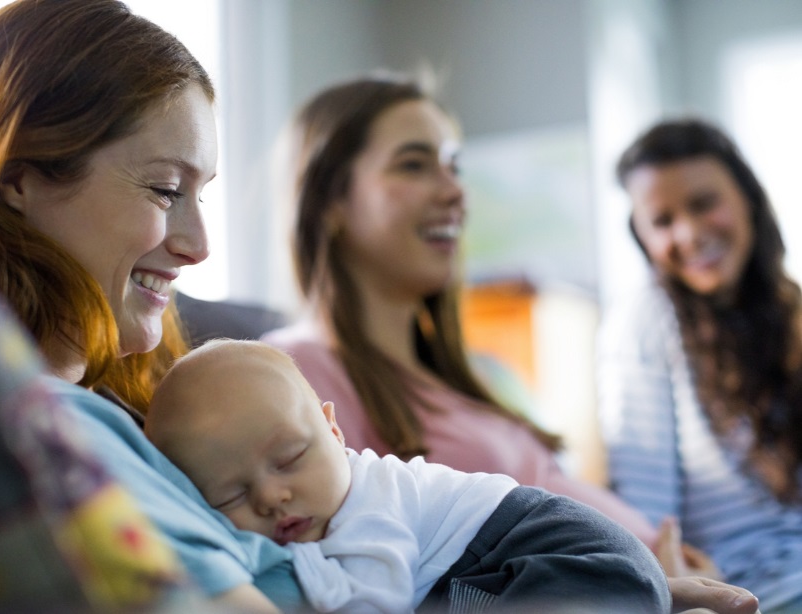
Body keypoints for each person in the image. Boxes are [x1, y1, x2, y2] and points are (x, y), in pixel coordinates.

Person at [261, 74, 761, 614]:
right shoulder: (293, 373)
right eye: (413, 163)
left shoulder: (482, 377)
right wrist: (652, 589)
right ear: (329, 200)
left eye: (454, 166)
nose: (455, 191)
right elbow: (347, 577)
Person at [0, 1, 303, 611]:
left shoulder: (145, 412)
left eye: (200, 195)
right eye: (166, 190)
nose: (199, 247)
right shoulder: (44, 433)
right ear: (17, 179)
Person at [145, 337, 672, 613]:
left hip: (553, 549)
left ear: (334, 430)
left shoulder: (367, 501)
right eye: (230, 495)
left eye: (289, 459)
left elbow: (380, 598)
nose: (272, 497)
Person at [598, 117, 802, 614]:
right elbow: (649, 520)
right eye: (662, 221)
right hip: (757, 590)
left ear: (748, 200)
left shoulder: (789, 307)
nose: (688, 233)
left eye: (704, 203)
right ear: (641, 236)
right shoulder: (644, 321)